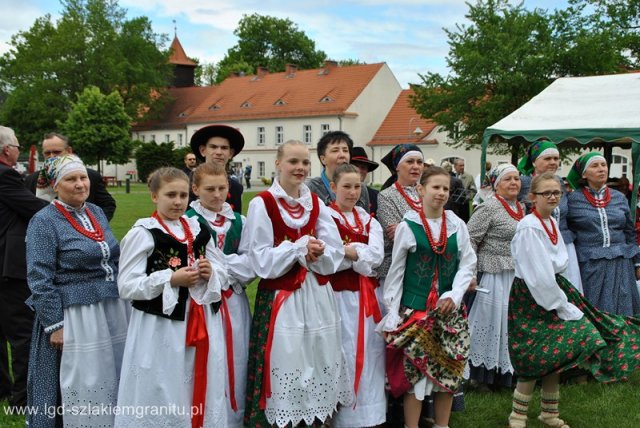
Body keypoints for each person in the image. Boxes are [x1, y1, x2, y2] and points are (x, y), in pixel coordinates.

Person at [507, 172, 640, 428]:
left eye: (556, 192)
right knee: (535, 354)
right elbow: (538, 275)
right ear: (532, 197)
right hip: (534, 295)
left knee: (557, 351)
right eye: (546, 193)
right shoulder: (529, 227)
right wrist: (560, 304)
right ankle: (517, 415)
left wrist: (562, 296)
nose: (553, 197)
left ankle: (549, 413)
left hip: (554, 288)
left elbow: (556, 265)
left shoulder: (549, 223)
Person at [242, 140, 352, 427]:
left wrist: (318, 251)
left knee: (318, 353)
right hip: (282, 297)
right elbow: (260, 260)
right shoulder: (262, 203)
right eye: (293, 161)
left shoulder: (315, 203)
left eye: (305, 162)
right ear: (278, 163)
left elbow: (335, 251)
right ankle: (284, 418)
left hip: (316, 294)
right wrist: (296, 249)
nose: (300, 168)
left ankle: (316, 418)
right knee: (286, 357)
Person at [115, 167, 229, 427]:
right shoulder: (144, 233)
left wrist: (211, 272)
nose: (178, 201)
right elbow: (126, 286)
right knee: (163, 381)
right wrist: (169, 279)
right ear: (155, 196)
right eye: (170, 195)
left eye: (183, 195)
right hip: (161, 327)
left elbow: (221, 267)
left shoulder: (198, 227)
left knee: (198, 376)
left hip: (200, 319)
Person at [26, 154, 130, 427]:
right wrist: (54, 324)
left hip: (111, 308)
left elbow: (112, 257)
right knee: (83, 382)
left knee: (113, 374)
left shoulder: (94, 212)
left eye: (83, 177)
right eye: (70, 179)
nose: (80, 184)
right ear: (55, 186)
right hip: (74, 314)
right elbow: (39, 278)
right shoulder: (43, 221)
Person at [379, 166, 476, 428]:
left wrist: (454, 295)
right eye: (436, 187)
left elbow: (467, 263)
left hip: (448, 312)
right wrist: (392, 311)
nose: (442, 193)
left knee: (448, 373)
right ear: (421, 190)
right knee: (416, 378)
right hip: (416, 310)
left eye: (446, 188)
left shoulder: (457, 225)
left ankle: (442, 425)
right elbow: (396, 273)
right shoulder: (408, 227)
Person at [186, 162, 254, 428]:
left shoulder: (240, 221)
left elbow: (251, 265)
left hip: (235, 301)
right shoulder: (189, 222)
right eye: (209, 189)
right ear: (195, 189)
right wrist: (229, 266)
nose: (217, 195)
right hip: (203, 304)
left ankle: (234, 417)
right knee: (210, 358)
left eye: (222, 188)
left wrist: (219, 267)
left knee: (237, 356)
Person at [327, 163, 386, 427]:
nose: (352, 192)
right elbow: (330, 258)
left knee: (370, 354)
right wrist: (354, 253)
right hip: (336, 297)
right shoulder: (326, 218)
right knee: (342, 352)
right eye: (346, 187)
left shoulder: (368, 219)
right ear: (333, 187)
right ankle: (340, 416)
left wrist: (349, 250)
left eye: (357, 186)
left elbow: (376, 257)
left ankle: (369, 415)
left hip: (365, 299)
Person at [0, 126, 48, 408]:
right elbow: (33, 208)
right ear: (7, 150)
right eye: (17, 146)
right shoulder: (6, 175)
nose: (18, 150)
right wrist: (66, 208)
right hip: (9, 265)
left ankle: (4, 389)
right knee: (21, 333)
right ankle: (22, 398)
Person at [465, 164, 524, 389]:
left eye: (516, 179)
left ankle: (504, 372)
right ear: (496, 184)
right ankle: (478, 375)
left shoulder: (521, 208)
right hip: (491, 273)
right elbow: (469, 240)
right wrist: (471, 273)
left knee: (508, 325)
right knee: (488, 323)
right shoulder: (488, 208)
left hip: (513, 273)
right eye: (508, 179)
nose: (513, 183)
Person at [566, 153, 640, 315]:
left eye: (603, 165)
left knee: (623, 311)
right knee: (595, 311)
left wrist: (637, 263)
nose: (601, 169)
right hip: (590, 264)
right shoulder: (572, 200)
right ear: (584, 174)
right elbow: (567, 231)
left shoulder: (619, 198)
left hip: (621, 263)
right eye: (595, 166)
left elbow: (629, 231)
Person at [517, 140, 582, 292]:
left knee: (568, 289)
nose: (553, 162)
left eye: (556, 158)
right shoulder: (524, 183)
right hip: (537, 243)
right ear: (534, 162)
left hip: (564, 243)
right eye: (547, 158)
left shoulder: (559, 181)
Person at [24, 132, 116, 221]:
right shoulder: (31, 180)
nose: (52, 156)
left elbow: (108, 204)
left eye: (57, 152)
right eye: (47, 153)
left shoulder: (91, 176)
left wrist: (96, 226)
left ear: (69, 151)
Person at [307, 130, 370, 212]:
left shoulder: (360, 187)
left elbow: (365, 221)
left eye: (345, 150)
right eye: (335, 150)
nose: (342, 155)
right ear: (323, 159)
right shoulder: (312, 187)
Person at [190, 124, 245, 212]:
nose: (219, 152)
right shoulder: (186, 183)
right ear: (203, 151)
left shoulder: (236, 188)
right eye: (213, 147)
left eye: (224, 148)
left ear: (230, 153)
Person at [350, 146, 380, 216]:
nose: (359, 170)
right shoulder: (338, 193)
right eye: (355, 166)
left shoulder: (376, 196)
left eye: (363, 167)